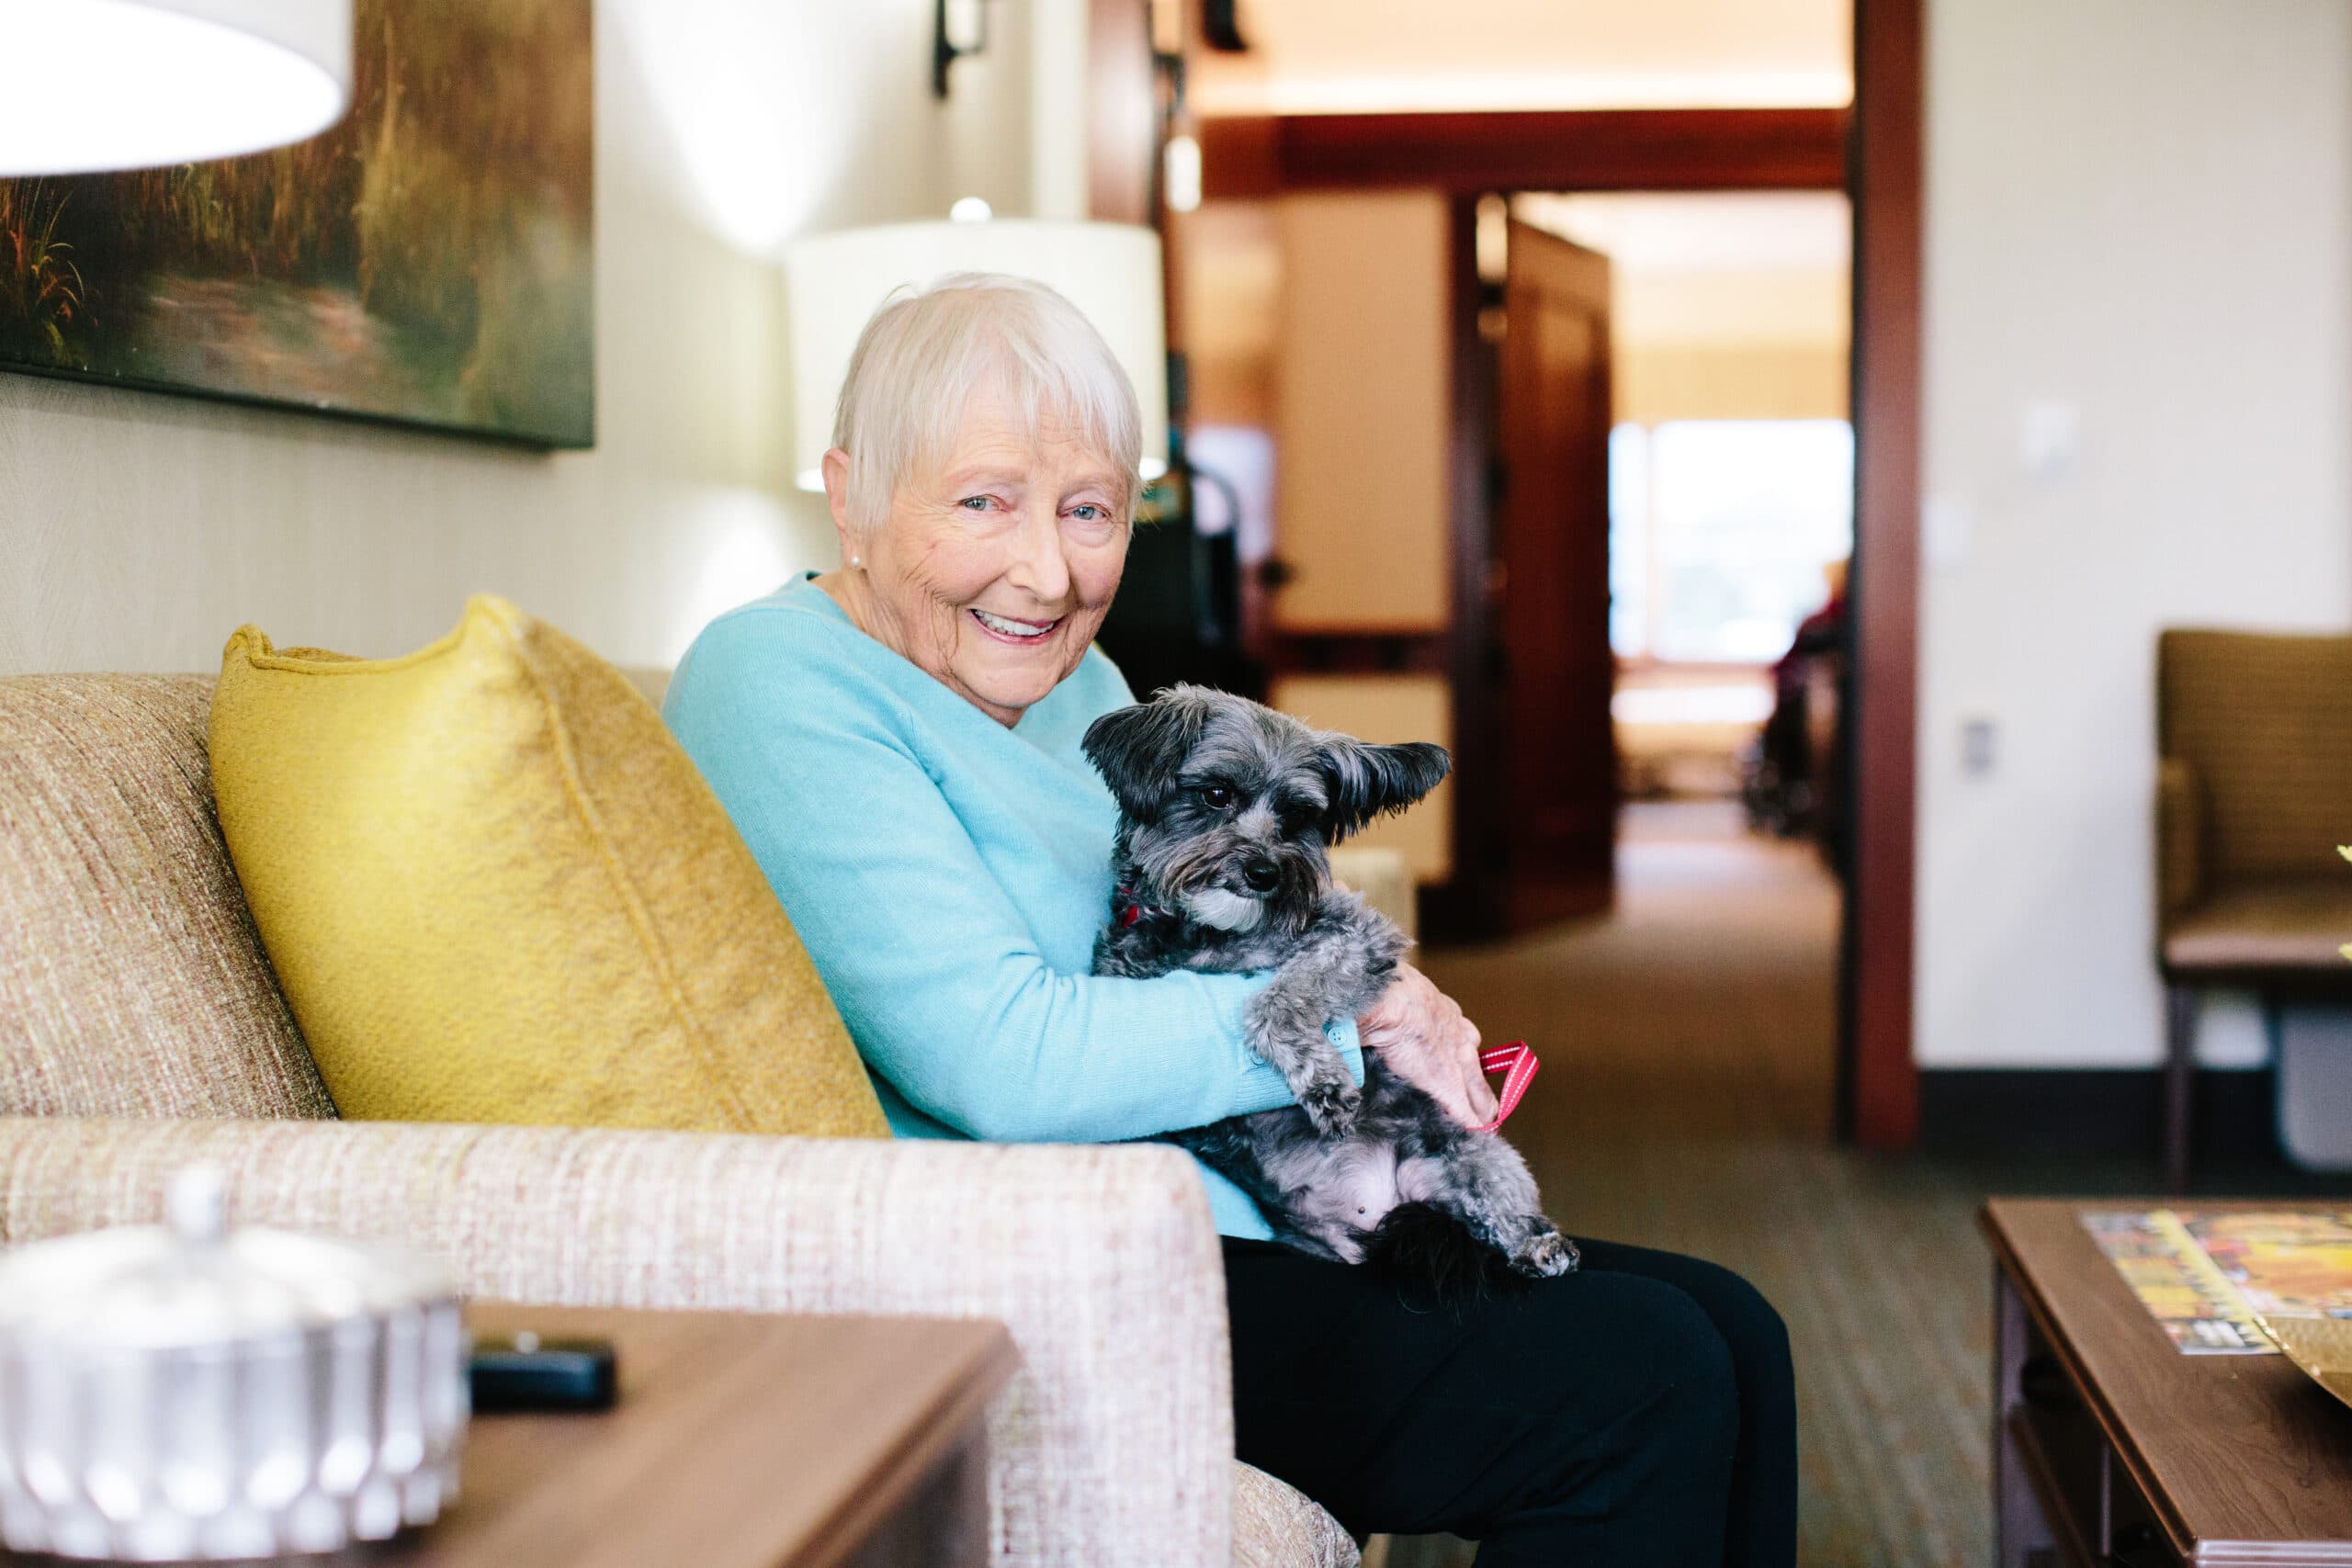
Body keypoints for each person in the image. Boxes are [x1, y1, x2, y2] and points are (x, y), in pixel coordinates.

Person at [664, 272, 1795, 1566]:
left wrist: (1362, 995)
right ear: (850, 492)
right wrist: (1351, 1010)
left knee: (1736, 1327)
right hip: (1031, 1269)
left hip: (1214, 1202)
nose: (1047, 571)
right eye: (983, 501)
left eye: (1090, 510)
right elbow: (1001, 1060)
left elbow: (1198, 921)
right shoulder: (776, 680)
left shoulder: (1068, 676)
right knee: (1643, 1377)